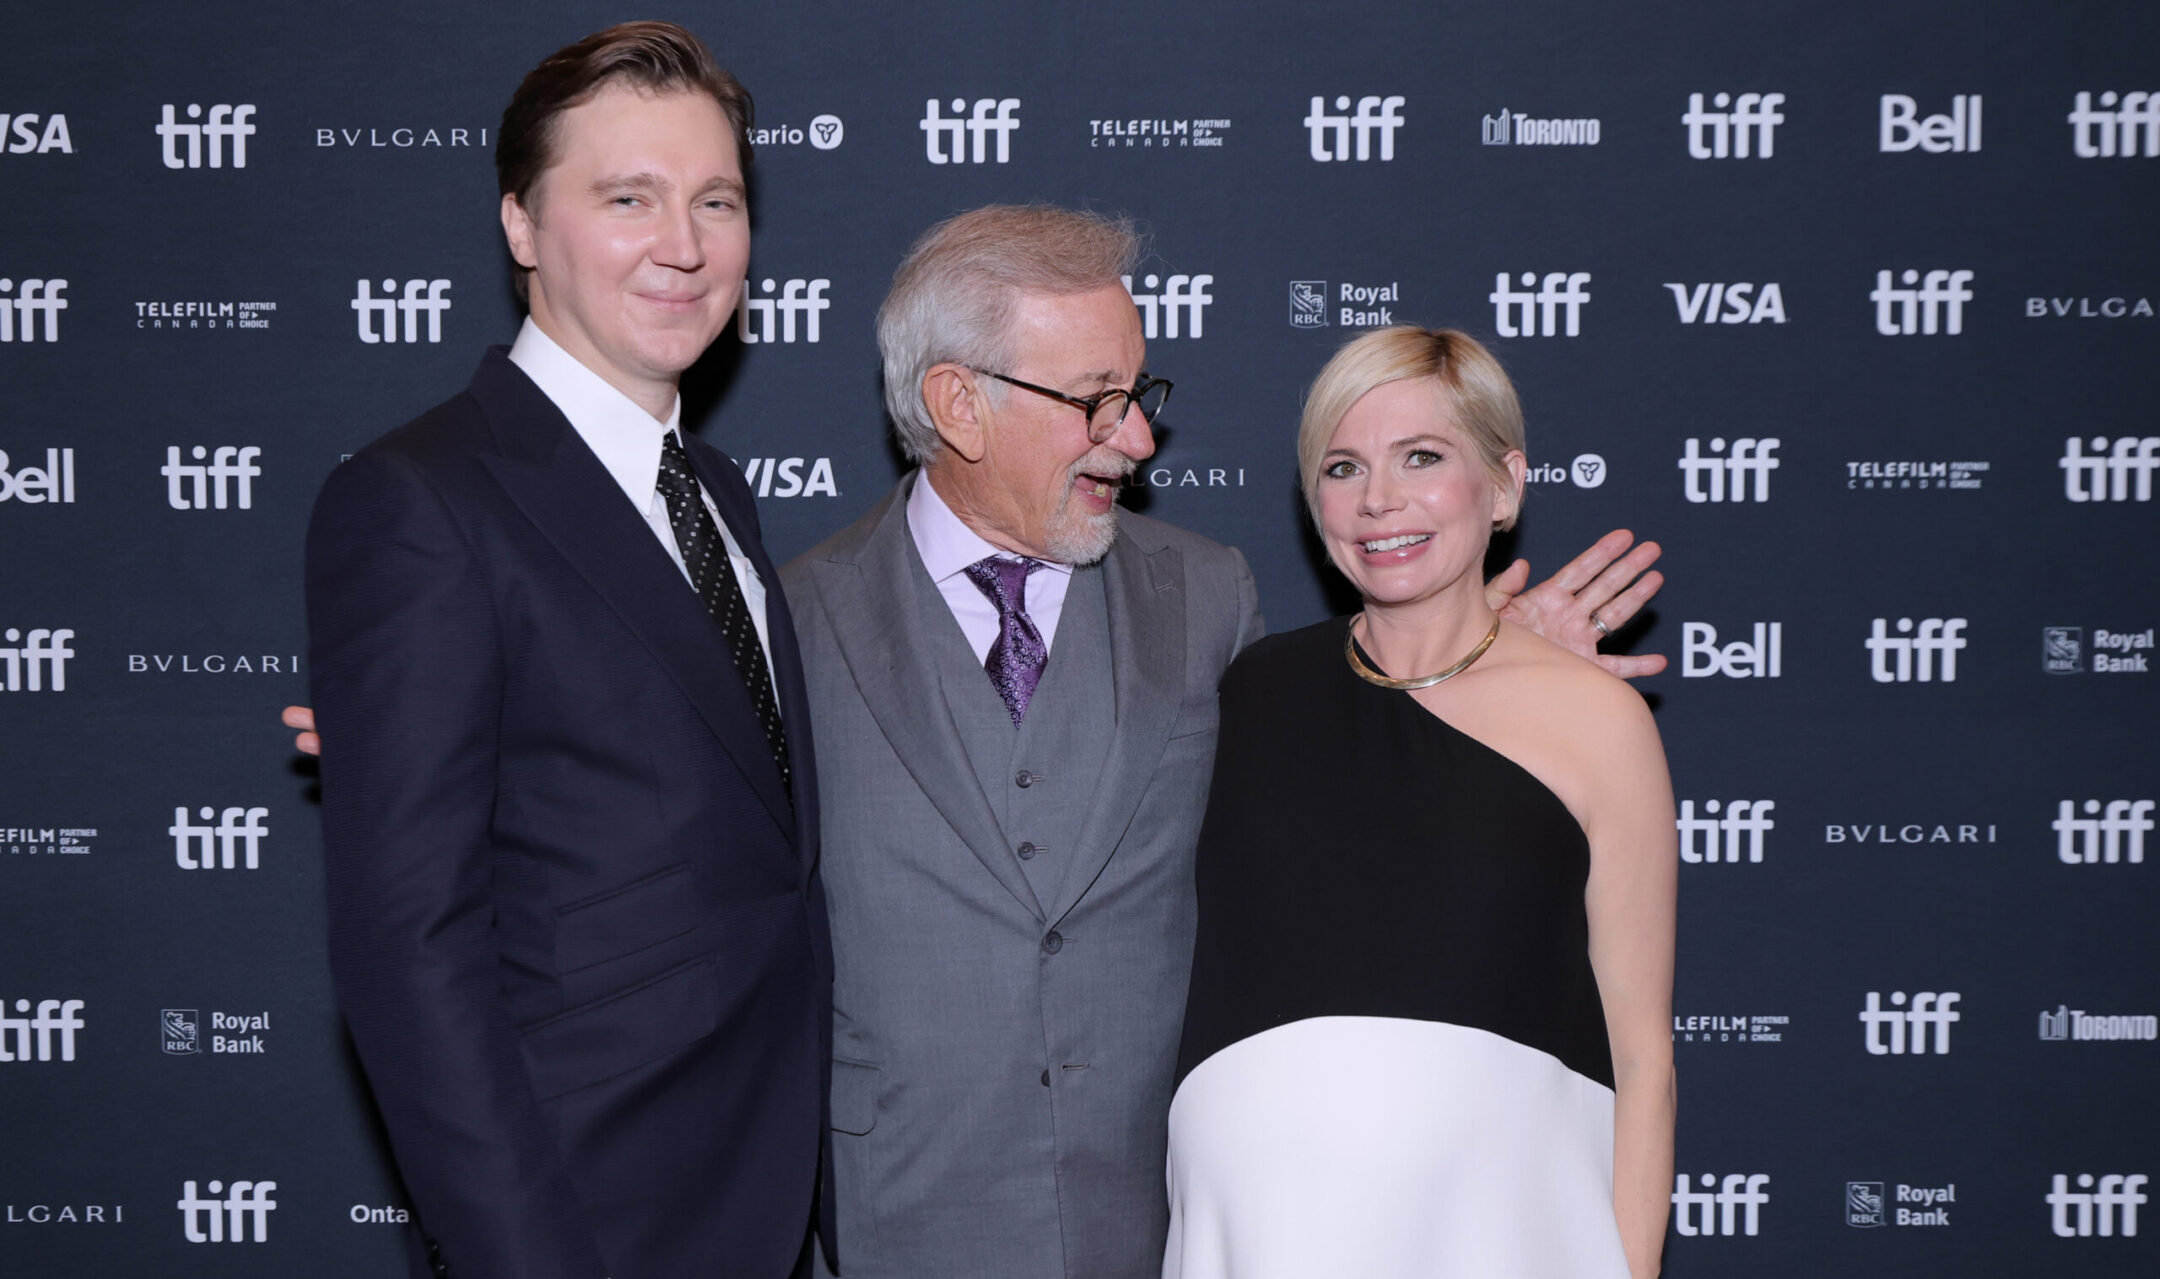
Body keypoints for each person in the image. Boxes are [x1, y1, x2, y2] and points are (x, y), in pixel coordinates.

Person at [286, 200, 1667, 1277]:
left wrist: (1483, 649)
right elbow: (643, 779)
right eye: (1093, 398)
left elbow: (1346, 796)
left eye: (1140, 391)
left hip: (1173, 1225)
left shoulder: (1212, 594)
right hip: (889, 1225)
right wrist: (451, 719)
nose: (1132, 434)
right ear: (957, 403)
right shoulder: (785, 611)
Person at [302, 23, 831, 1279]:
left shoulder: (714, 491)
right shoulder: (423, 500)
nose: (685, 244)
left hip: (759, 1206)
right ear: (523, 227)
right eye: (627, 198)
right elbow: (408, 951)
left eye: (717, 200)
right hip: (584, 1218)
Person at [1164, 327, 1677, 1279]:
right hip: (1264, 1235)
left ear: (1506, 485)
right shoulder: (1252, 694)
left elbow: (1642, 1055)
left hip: (1506, 1234)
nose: (1378, 501)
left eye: (1423, 458)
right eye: (1343, 466)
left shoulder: (1600, 723)